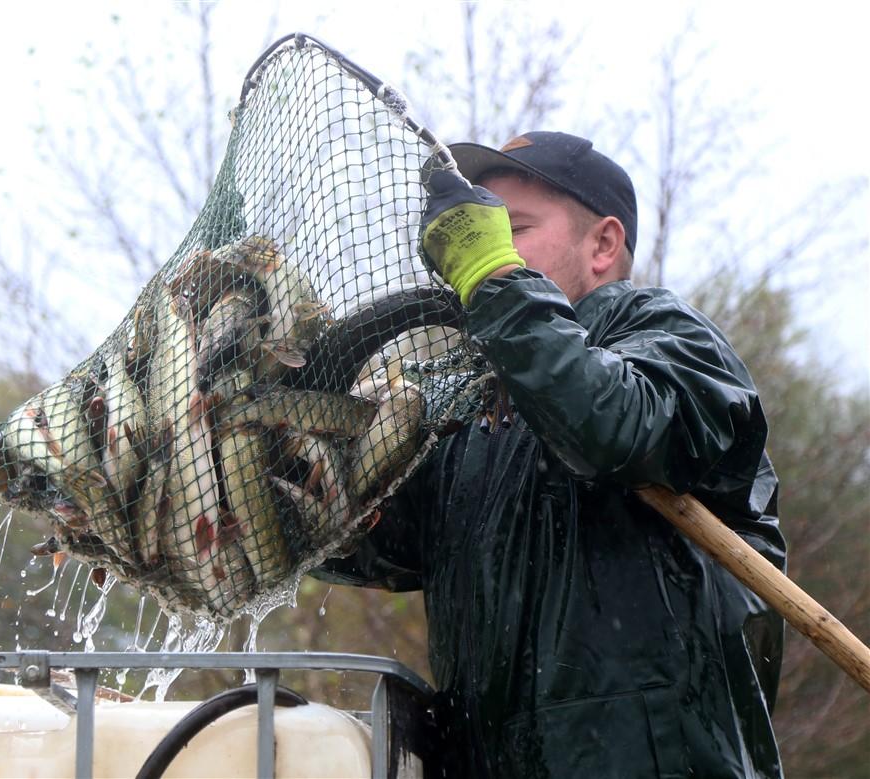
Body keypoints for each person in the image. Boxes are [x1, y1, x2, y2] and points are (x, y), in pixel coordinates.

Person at [315, 131, 787, 777]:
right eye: (476, 232)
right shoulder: (471, 412)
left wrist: (495, 279)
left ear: (603, 245)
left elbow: (616, 426)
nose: (474, 249)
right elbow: (363, 538)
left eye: (511, 229)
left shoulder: (667, 334)